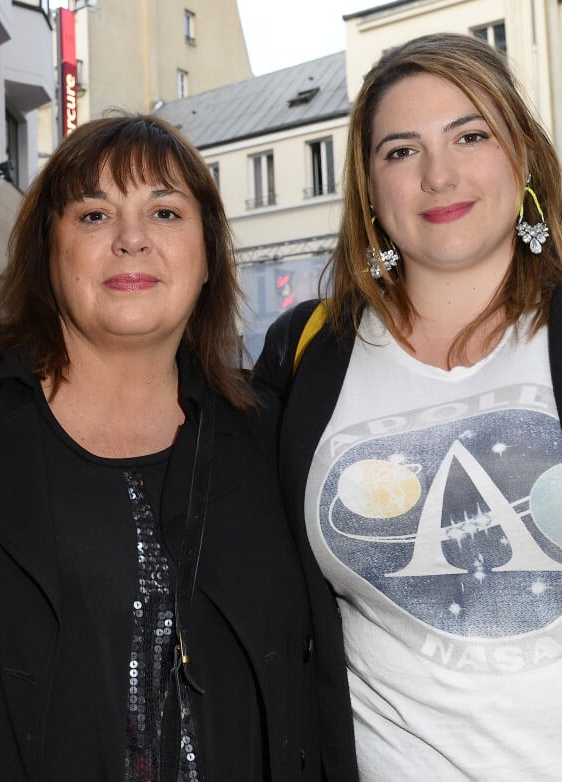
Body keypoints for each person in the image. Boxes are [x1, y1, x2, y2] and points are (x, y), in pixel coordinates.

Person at [0, 114, 348, 782]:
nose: (131, 240)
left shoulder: (274, 436)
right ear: (47, 252)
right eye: (94, 215)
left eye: (165, 212)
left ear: (207, 256)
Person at [255, 32, 562, 781]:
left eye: (470, 134)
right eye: (400, 151)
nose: (438, 174)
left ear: (521, 156)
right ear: (368, 189)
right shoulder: (306, 356)